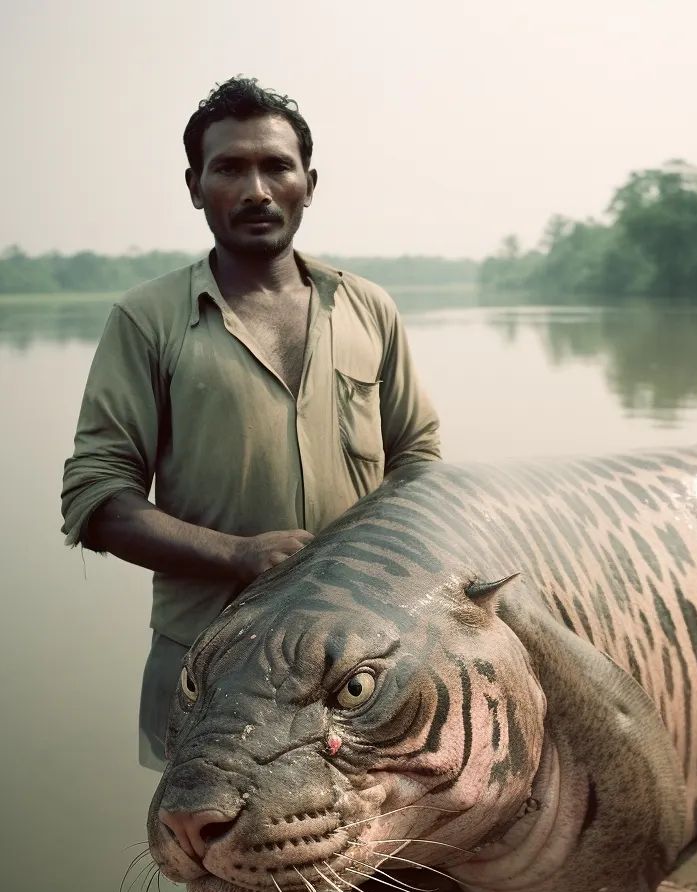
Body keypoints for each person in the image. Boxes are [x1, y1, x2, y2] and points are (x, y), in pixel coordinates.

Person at [61, 77, 441, 770]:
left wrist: (378, 567)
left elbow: (417, 457)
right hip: (212, 667)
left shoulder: (368, 309)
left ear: (309, 181)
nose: (256, 189)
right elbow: (97, 500)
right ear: (195, 184)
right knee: (224, 860)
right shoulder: (148, 320)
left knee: (376, 853)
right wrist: (237, 557)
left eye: (276, 166)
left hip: (360, 664)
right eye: (230, 167)